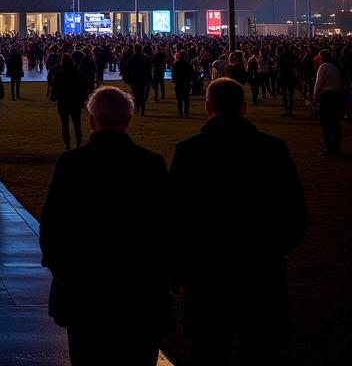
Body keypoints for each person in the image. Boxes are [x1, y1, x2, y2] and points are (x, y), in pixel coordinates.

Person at [170, 78, 306, 366]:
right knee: (261, 350)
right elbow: (294, 210)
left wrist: (179, 269)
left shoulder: (190, 151)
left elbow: (176, 216)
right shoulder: (273, 148)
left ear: (208, 108)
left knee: (208, 350)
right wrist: (275, 248)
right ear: (244, 107)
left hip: (207, 272)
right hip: (261, 269)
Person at [40, 86, 170, 366]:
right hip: (138, 290)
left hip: (84, 289)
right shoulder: (151, 163)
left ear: (91, 120)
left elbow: (52, 224)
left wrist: (60, 269)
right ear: (128, 120)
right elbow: (165, 226)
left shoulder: (72, 162)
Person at [49, 53, 86, 150]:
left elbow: (54, 89)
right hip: (75, 101)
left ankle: (67, 146)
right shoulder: (78, 73)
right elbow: (83, 88)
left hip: (63, 102)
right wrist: (82, 99)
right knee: (77, 124)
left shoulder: (58, 74)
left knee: (64, 125)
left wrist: (53, 97)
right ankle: (78, 145)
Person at [312, 49, 345, 156]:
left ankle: (329, 148)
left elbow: (319, 84)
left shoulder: (324, 67)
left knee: (325, 123)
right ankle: (336, 147)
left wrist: (315, 97)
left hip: (326, 96)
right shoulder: (336, 66)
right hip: (336, 95)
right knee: (334, 123)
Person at [171, 49, 194, 118]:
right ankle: (186, 113)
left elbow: (173, 74)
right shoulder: (188, 64)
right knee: (186, 99)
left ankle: (180, 113)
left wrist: (175, 81)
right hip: (186, 83)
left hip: (178, 83)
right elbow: (191, 74)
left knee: (179, 99)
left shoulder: (175, 64)